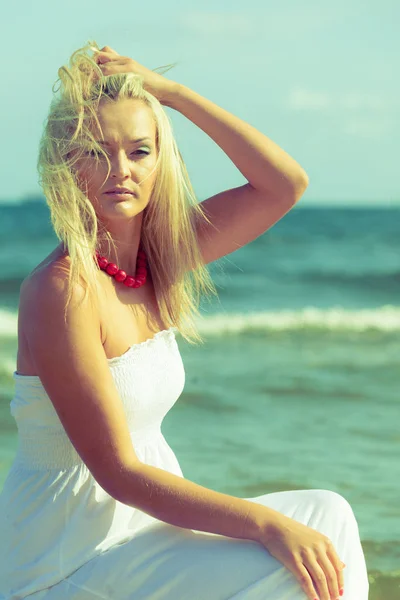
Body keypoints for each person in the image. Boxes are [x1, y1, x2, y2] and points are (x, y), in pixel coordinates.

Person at [0, 41, 369, 600]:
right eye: (95, 152)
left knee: (326, 517)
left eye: (139, 151)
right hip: (64, 561)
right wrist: (266, 523)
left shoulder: (161, 258)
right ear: (64, 163)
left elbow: (284, 185)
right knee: (288, 552)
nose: (119, 171)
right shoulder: (62, 291)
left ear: (159, 158)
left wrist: (173, 94)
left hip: (142, 539)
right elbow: (119, 472)